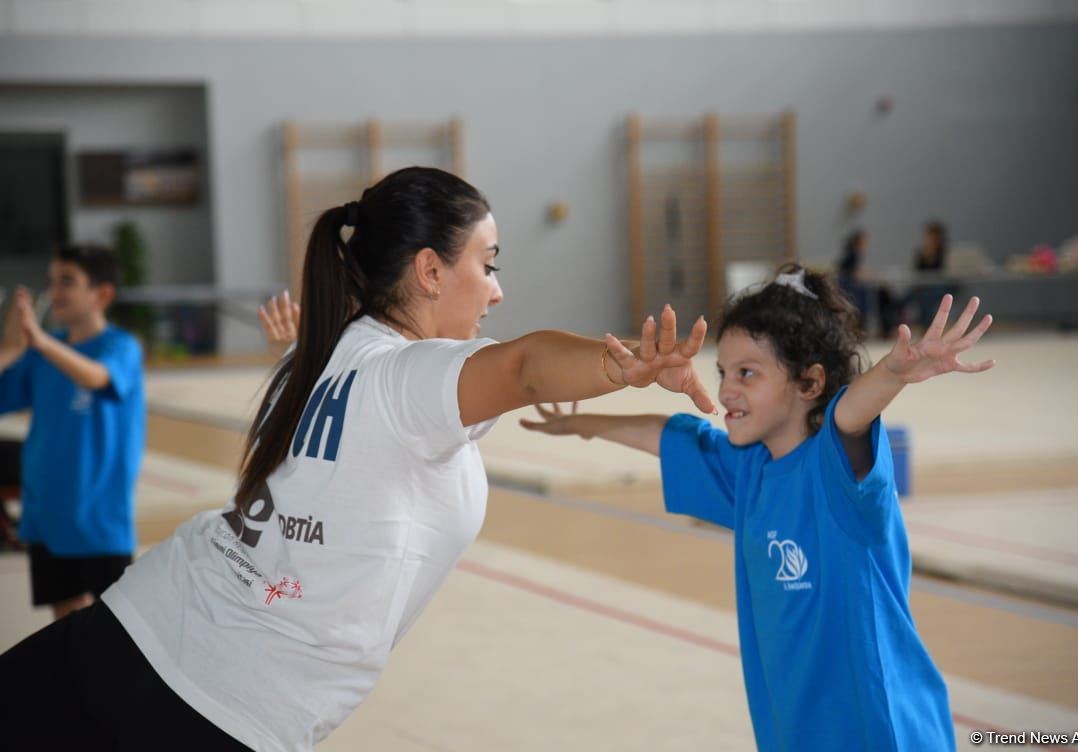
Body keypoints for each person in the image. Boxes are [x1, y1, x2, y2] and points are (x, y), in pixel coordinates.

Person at [0, 166, 715, 752]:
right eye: (487, 265)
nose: (497, 289)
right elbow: (524, 367)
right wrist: (626, 366)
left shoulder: (326, 351)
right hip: (223, 702)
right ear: (430, 270)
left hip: (132, 626)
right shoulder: (408, 378)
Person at [520, 263, 994, 751]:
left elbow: (851, 413)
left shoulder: (834, 470)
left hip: (878, 731)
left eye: (748, 373)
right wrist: (583, 425)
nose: (727, 390)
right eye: (724, 372)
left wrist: (893, 372)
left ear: (809, 383)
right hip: (795, 732)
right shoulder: (746, 469)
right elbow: (666, 435)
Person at [0, 245, 145, 620]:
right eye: (52, 282)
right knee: (65, 633)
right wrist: (10, 349)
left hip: (99, 520)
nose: (55, 292)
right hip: (47, 516)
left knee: (111, 634)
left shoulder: (120, 347)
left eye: (68, 282)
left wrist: (41, 340)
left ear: (103, 294)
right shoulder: (40, 355)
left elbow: (97, 377)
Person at [836, 228, 900, 337]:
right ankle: (888, 328)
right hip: (855, 293)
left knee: (884, 295)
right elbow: (856, 274)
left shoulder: (853, 255)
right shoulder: (853, 255)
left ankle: (889, 327)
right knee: (883, 296)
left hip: (855, 291)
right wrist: (874, 277)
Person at [903, 219, 956, 324]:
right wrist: (926, 255)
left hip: (939, 286)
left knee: (927, 299)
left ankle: (927, 327)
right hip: (923, 286)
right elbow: (917, 272)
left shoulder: (944, 252)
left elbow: (944, 272)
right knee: (906, 299)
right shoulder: (921, 253)